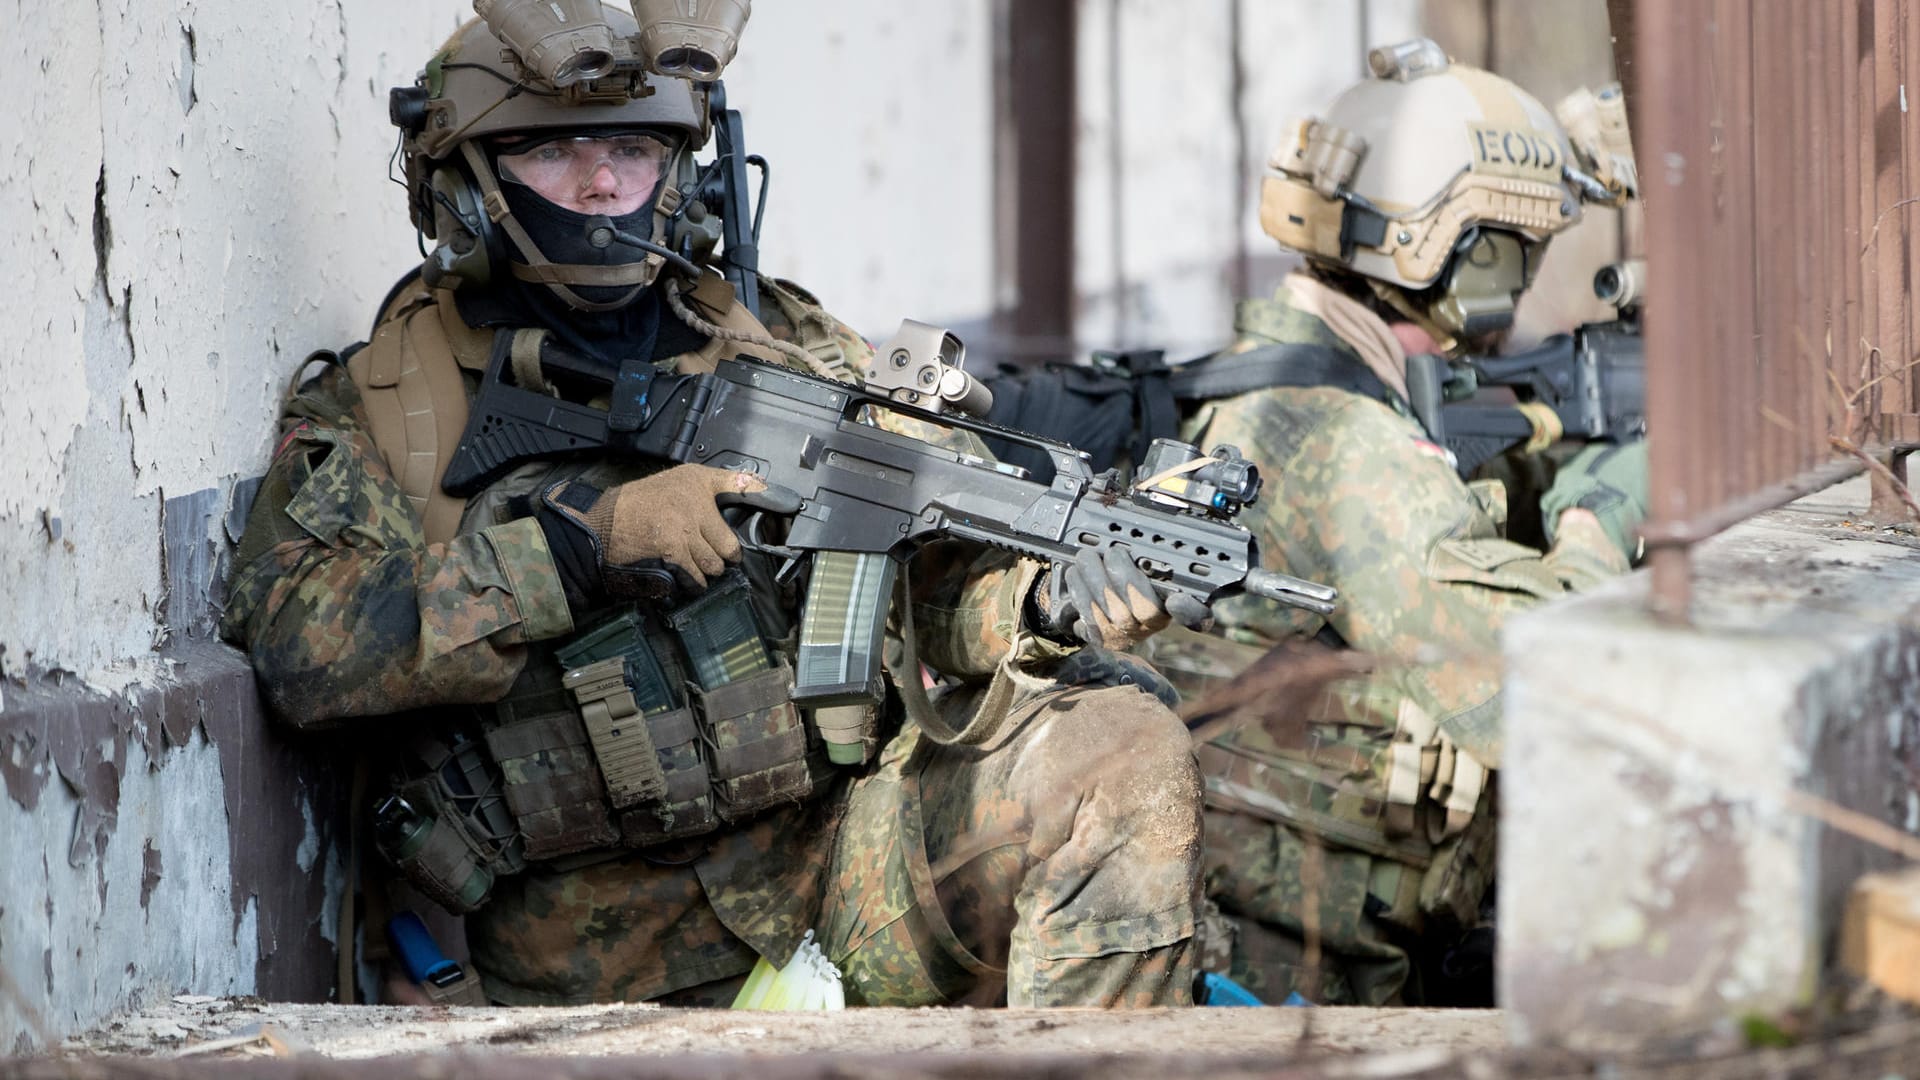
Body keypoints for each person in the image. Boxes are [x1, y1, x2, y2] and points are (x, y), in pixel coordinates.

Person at [222, 5, 1211, 1009]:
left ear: (679, 170)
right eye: (549, 149)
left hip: (840, 874)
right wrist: (574, 551)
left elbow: (941, 583)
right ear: (465, 186)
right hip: (592, 960)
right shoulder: (396, 405)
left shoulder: (779, 342)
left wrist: (1045, 606)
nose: (601, 181)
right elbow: (306, 646)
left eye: (633, 146)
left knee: (1124, 751)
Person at [1136, 39, 1650, 1006]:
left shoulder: (1283, 389)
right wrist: (1606, 503)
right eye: (1522, 252)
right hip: (1304, 987)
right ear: (1471, 256)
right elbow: (1539, 685)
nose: (1525, 283)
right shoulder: (1350, 446)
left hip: (1290, 935)